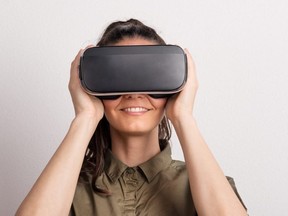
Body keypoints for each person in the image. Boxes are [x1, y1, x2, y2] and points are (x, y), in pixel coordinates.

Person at [16, 19, 247, 216]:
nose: (134, 94)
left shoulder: (207, 185)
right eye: (117, 77)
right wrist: (85, 117)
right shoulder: (65, 190)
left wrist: (183, 117)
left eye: (149, 76)